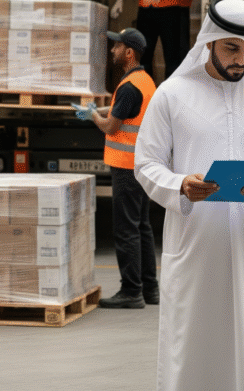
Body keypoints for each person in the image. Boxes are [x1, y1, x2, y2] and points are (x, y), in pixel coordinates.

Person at [133, 0, 244, 391]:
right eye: (231, 48)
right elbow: (146, 164)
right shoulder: (172, 94)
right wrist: (179, 185)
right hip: (196, 245)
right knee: (195, 346)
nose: (241, 60)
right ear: (209, 42)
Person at [78, 27, 159, 309]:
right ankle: (150, 289)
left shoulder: (128, 88)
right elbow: (123, 114)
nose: (111, 50)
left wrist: (92, 118)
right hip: (143, 165)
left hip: (126, 167)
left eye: (116, 47)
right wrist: (99, 110)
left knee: (126, 229)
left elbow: (112, 126)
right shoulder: (145, 81)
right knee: (142, 227)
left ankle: (131, 291)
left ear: (128, 53)